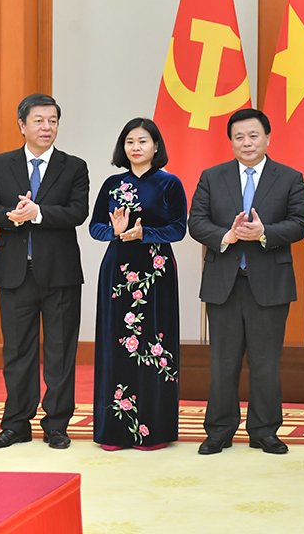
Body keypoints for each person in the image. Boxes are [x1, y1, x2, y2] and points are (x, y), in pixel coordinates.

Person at [188, 108, 304, 456]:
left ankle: (265, 431)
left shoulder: (289, 178)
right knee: (222, 361)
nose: (246, 142)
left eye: (253, 135)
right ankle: (219, 431)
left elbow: (300, 223)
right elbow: (196, 221)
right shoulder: (212, 177)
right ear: (231, 141)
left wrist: (263, 233)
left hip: (269, 283)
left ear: (267, 138)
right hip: (224, 281)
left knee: (265, 362)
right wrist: (226, 235)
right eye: (239, 137)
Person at [0, 94, 90, 450]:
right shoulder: (0, 164)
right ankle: (16, 424)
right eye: (39, 120)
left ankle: (56, 424)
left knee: (60, 352)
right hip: (14, 272)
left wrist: (38, 213)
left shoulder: (74, 166)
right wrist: (12, 217)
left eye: (53, 120)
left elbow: (77, 212)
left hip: (60, 274)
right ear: (22, 125)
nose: (47, 127)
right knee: (17, 352)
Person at [88, 118, 187, 450]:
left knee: (154, 343)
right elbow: (95, 227)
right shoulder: (112, 184)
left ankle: (154, 431)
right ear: (123, 147)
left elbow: (178, 228)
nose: (136, 147)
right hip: (117, 271)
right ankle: (113, 432)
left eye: (143, 141)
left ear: (156, 146)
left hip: (155, 272)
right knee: (115, 344)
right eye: (130, 141)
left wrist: (145, 233)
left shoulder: (170, 184)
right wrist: (116, 232)